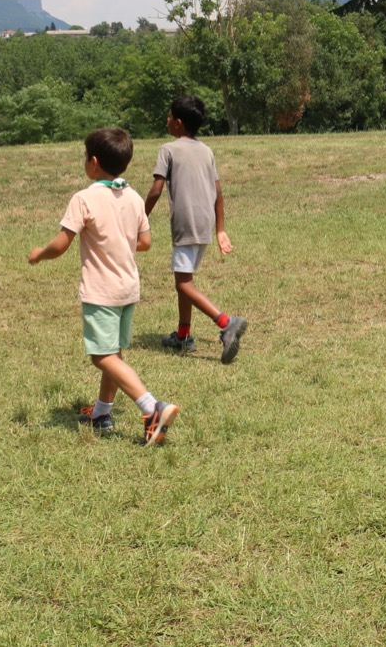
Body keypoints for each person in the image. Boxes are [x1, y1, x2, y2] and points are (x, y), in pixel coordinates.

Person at [28, 128, 179, 446]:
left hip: (102, 291)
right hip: (128, 289)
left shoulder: (84, 199)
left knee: (101, 355)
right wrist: (119, 242)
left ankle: (151, 407)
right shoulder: (134, 197)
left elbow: (60, 245)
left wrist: (40, 254)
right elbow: (145, 242)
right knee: (114, 353)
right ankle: (101, 413)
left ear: (93, 162)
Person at [144, 96, 247, 363]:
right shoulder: (206, 150)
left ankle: (226, 323)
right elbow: (218, 192)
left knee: (183, 283)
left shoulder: (167, 149)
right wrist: (220, 229)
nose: (167, 120)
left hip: (186, 224)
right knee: (185, 280)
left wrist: (140, 218)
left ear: (178, 123)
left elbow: (156, 190)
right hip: (204, 223)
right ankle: (183, 336)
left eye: (169, 116)